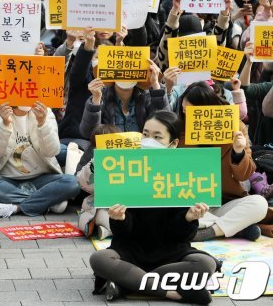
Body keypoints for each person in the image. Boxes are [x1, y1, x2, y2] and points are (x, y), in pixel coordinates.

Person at [89, 112, 220, 305]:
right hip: (130, 252)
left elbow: (181, 237)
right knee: (99, 258)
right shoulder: (125, 170)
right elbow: (122, 234)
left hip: (171, 253)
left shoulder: (184, 175)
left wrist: (188, 218)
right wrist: (120, 219)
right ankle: (171, 292)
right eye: (145, 134)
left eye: (157, 137)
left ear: (173, 144)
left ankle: (128, 282)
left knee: (205, 264)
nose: (148, 141)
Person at [175, 82, 270, 240]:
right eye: (184, 111)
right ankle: (235, 228)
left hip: (225, 201)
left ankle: (207, 232)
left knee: (259, 204)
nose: (187, 116)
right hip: (190, 203)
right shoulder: (178, 131)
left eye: (193, 112)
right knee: (171, 214)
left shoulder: (235, 128)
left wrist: (238, 152)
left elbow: (244, 175)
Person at [0, 99, 80, 218]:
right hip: (7, 180)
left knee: (73, 183)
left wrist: (42, 123)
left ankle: (16, 208)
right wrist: (5, 124)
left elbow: (52, 151)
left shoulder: (44, 111)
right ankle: (47, 202)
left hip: (41, 178)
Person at [81, 60, 166, 139]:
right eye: (120, 68)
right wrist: (96, 100)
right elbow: (88, 133)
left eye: (132, 69)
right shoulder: (101, 96)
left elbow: (165, 125)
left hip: (142, 153)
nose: (126, 74)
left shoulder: (147, 96)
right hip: (109, 153)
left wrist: (156, 85)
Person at [76, 124, 121, 239]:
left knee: (120, 219)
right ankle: (104, 228)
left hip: (120, 204)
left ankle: (106, 231)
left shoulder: (124, 161)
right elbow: (82, 182)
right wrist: (95, 164)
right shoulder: (93, 162)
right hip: (97, 204)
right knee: (97, 216)